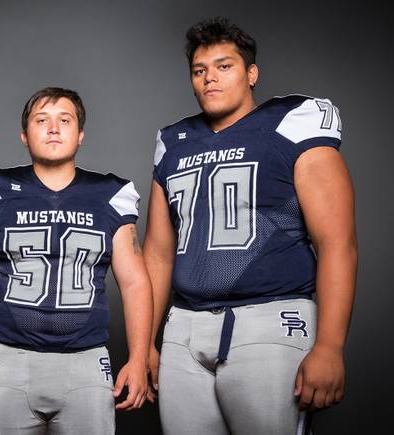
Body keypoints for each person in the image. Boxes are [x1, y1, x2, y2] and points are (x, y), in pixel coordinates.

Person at [144, 17, 357, 435]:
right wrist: (143, 346)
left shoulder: (291, 123)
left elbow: (337, 243)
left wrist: (330, 346)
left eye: (224, 66)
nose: (210, 79)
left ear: (251, 73)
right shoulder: (173, 141)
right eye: (200, 70)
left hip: (271, 316)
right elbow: (157, 252)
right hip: (184, 325)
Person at [0, 87, 152, 434]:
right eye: (42, 120)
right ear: (24, 135)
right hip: (9, 360)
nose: (53, 128)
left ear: (81, 135)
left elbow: (135, 282)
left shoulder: (110, 195)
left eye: (64, 120)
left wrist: (138, 357)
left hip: (86, 361)